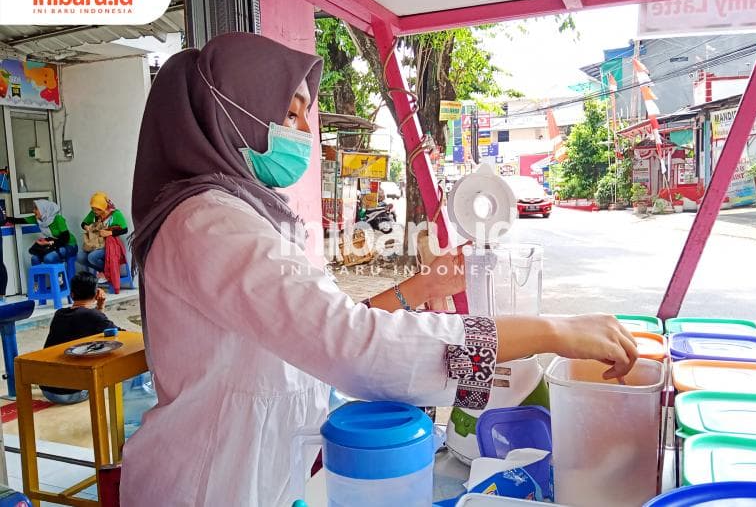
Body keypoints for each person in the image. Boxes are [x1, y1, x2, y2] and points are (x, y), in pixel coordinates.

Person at [121, 33, 637, 506]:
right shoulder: (209, 223)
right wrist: (552, 332)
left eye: (307, 114)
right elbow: (350, 346)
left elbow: (316, 329)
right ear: (231, 111)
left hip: (260, 476)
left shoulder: (244, 216)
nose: (304, 131)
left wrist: (421, 290)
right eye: (291, 113)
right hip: (203, 485)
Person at [39, 272, 115, 404]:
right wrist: (100, 307)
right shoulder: (94, 317)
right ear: (96, 294)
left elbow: (94, 324)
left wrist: (99, 309)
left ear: (71, 294)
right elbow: (117, 334)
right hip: (73, 393)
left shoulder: (59, 314)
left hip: (47, 390)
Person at [7, 200, 78, 266]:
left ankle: (59, 278)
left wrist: (47, 243)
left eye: (36, 209)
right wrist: (4, 218)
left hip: (69, 245)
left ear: (44, 210)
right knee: (35, 259)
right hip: (55, 245)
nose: (33, 211)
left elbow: (65, 238)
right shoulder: (39, 219)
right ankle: (38, 280)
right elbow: (19, 220)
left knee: (48, 258)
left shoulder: (58, 219)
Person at [78, 192, 128, 273]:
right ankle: (104, 271)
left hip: (111, 245)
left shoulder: (116, 214)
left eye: (97, 209)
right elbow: (83, 223)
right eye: (93, 208)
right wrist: (86, 227)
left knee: (92, 257)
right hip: (96, 244)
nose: (94, 211)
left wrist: (110, 233)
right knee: (80, 257)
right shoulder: (93, 213)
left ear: (103, 207)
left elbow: (125, 229)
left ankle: (108, 273)